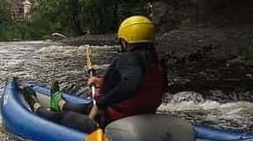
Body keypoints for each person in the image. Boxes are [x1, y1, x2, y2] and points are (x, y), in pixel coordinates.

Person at [20, 15, 167, 132]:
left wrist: (101, 105)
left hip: (110, 120)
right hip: (135, 114)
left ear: (125, 41)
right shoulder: (155, 62)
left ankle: (35, 106)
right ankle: (60, 102)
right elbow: (143, 87)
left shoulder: (128, 58)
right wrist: (102, 82)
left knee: (62, 117)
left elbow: (131, 84)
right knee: (87, 107)